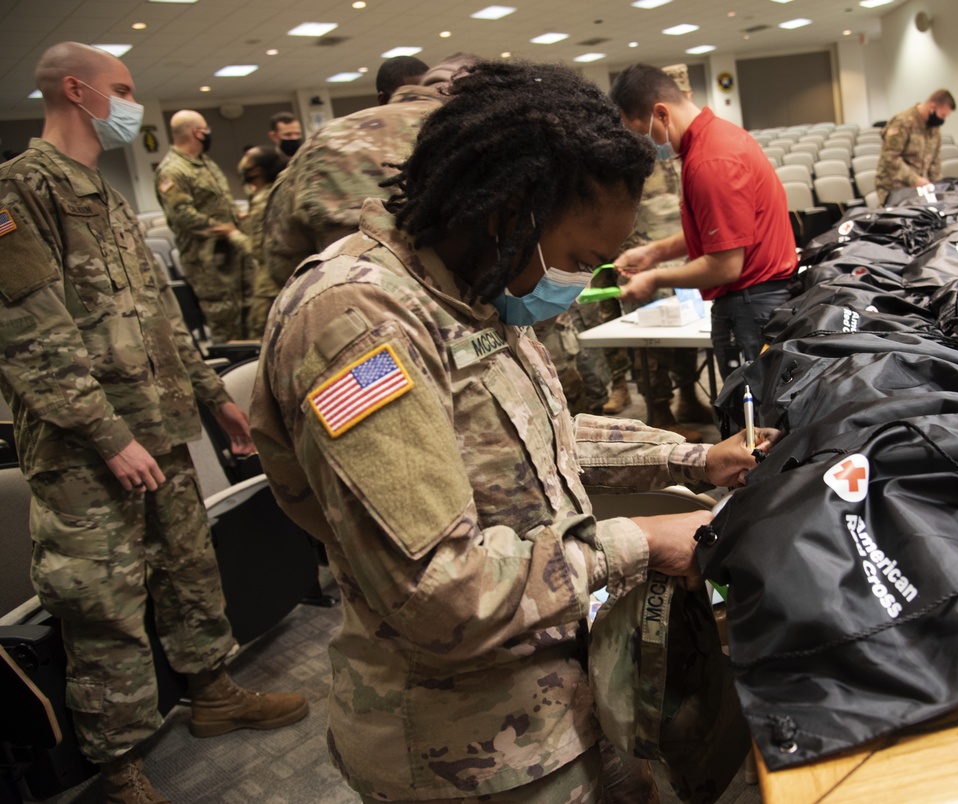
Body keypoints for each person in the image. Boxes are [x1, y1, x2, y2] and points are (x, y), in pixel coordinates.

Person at [250, 59, 777, 803]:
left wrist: (693, 456)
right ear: (512, 211)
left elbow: (540, 431)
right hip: (464, 749)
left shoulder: (475, 287)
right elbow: (442, 590)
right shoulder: (357, 324)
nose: (574, 286)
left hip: (561, 693)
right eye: (577, 261)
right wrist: (644, 542)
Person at [0, 42, 308, 803]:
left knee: (188, 570)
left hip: (160, 425)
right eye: (124, 90)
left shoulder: (100, 191)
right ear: (77, 91)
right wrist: (108, 435)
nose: (134, 106)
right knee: (104, 603)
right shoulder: (21, 190)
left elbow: (164, 319)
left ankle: (213, 692)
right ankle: (121, 763)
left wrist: (215, 396)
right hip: (84, 447)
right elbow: (30, 336)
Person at [611, 64, 798, 381]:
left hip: (751, 305)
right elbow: (721, 233)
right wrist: (654, 253)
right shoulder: (718, 138)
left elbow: (725, 264)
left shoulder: (711, 161)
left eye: (643, 133)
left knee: (751, 415)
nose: (647, 144)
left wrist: (654, 279)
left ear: (661, 114)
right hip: (756, 300)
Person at [262, 53, 477, 290]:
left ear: (382, 98)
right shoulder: (479, 129)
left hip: (353, 303)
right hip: (469, 309)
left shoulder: (325, 140)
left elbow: (282, 260)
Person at [611, 61, 714, 440]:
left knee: (685, 327)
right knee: (651, 338)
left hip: (680, 247)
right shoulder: (632, 140)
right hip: (643, 248)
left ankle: (688, 396)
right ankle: (659, 412)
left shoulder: (686, 140)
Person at [155, 109, 256, 343]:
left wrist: (235, 219)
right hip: (207, 259)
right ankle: (233, 371)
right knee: (224, 318)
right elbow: (181, 214)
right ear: (196, 132)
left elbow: (216, 200)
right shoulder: (173, 170)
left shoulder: (204, 162)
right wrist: (223, 228)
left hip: (231, 251)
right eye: (206, 129)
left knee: (247, 315)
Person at [237, 145, 287, 337]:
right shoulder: (278, 192)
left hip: (269, 286)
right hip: (284, 277)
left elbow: (258, 251)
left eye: (247, 158)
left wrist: (232, 233)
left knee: (262, 337)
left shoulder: (261, 203)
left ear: (257, 170)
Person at [875, 89, 956, 205]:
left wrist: (938, 187)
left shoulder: (933, 126)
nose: (943, 120)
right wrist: (914, 179)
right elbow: (890, 157)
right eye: (942, 115)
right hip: (894, 188)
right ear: (932, 106)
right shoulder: (903, 122)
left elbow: (935, 160)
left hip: (917, 190)